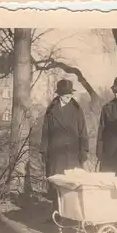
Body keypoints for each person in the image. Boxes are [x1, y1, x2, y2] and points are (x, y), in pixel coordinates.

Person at [40, 79, 89, 211]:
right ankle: (57, 213)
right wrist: (43, 150)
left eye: (70, 94)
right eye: (66, 94)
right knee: (56, 183)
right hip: (56, 153)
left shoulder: (77, 109)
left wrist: (83, 150)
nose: (68, 97)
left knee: (71, 184)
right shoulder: (51, 110)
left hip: (73, 154)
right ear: (60, 94)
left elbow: (83, 131)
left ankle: (72, 213)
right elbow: (46, 131)